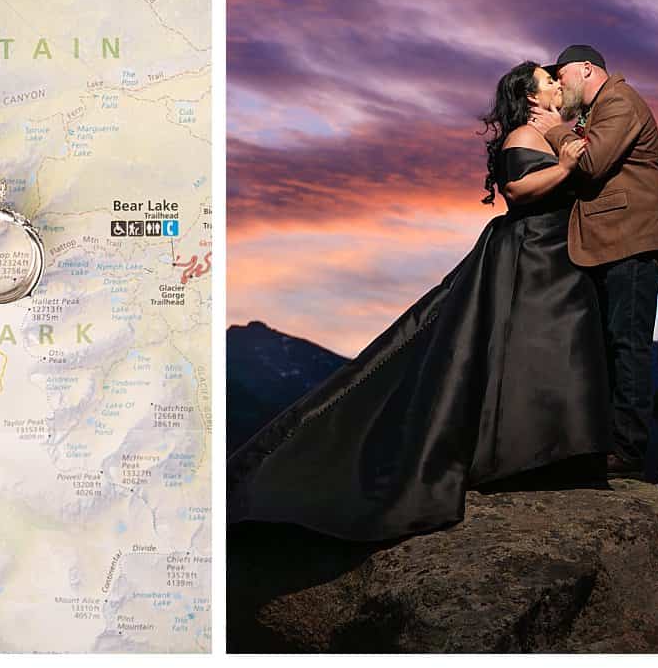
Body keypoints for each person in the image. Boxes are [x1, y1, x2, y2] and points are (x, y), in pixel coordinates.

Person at [226, 61, 614, 541]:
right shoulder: (521, 138)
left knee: (561, 349)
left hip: (557, 253)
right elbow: (517, 189)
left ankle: (557, 450)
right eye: (547, 79)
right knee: (525, 348)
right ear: (531, 97)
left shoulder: (555, 131)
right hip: (531, 257)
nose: (557, 82)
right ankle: (519, 455)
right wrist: (567, 167)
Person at [530, 45, 658, 480]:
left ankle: (627, 451)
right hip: (610, 243)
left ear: (587, 69)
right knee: (609, 344)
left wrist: (554, 131)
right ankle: (603, 442)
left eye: (563, 77)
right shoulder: (596, 111)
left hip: (632, 242)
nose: (560, 86)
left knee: (626, 345)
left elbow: (592, 162)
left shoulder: (619, 100)